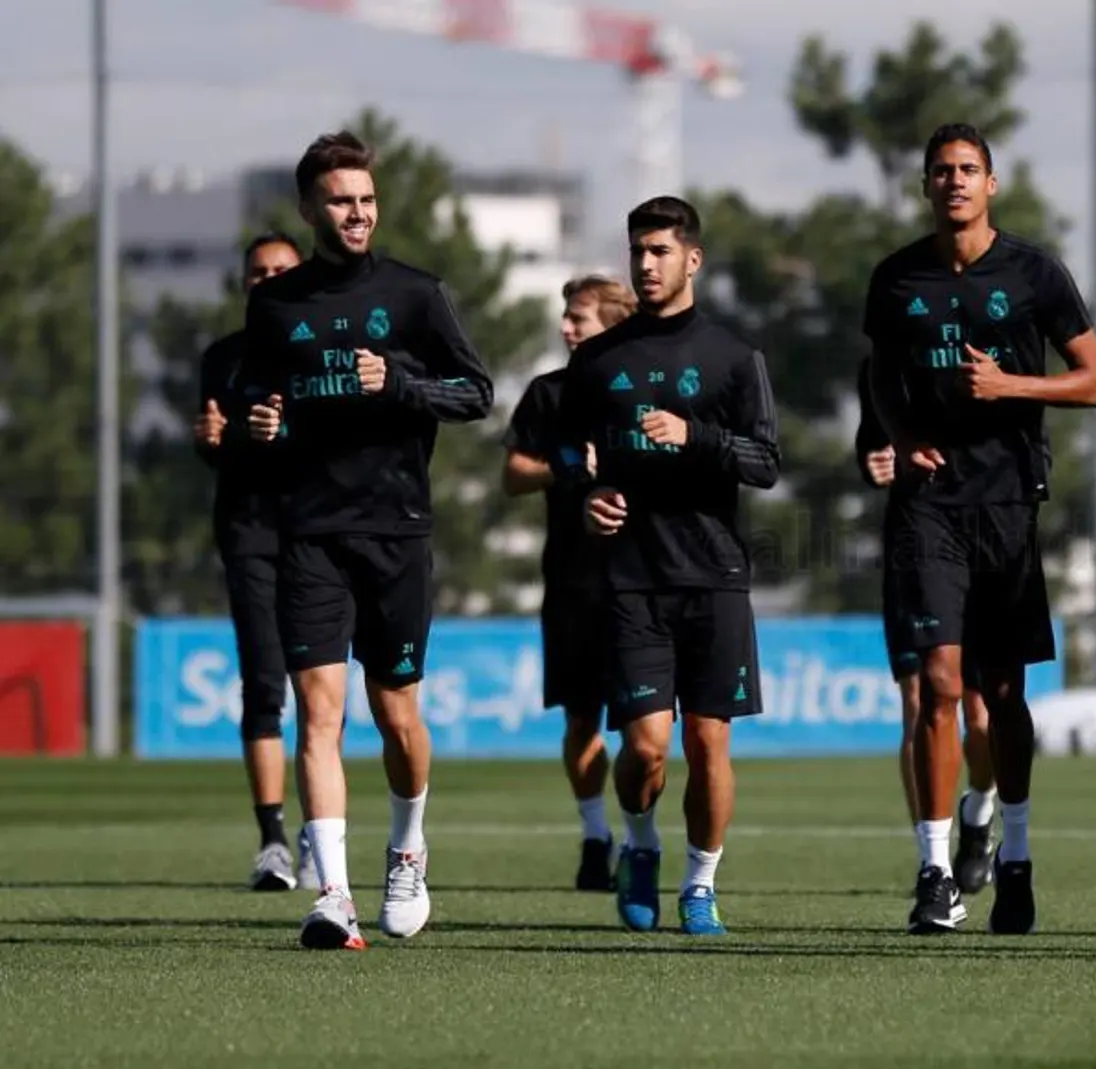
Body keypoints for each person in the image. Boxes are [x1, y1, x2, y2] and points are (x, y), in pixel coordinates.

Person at [244, 130, 494, 950]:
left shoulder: (416, 295)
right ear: (311, 207)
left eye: (366, 200)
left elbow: (476, 393)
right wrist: (264, 418)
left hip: (396, 530)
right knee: (320, 715)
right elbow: (264, 394)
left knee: (396, 716)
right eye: (341, 201)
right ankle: (335, 900)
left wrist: (403, 382)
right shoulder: (278, 303)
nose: (357, 213)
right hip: (310, 531)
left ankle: (408, 849)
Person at [865, 122, 1096, 936]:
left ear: (991, 184)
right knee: (938, 682)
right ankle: (934, 870)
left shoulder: (1034, 271)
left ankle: (1014, 852)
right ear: (926, 185)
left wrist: (1011, 385)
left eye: (969, 169)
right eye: (941, 170)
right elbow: (878, 379)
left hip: (1008, 504)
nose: (955, 182)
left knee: (1001, 693)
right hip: (927, 505)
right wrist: (898, 437)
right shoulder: (897, 278)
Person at [555, 195, 780, 937]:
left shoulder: (733, 357)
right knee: (646, 746)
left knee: (708, 741)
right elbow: (565, 451)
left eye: (660, 252)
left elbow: (766, 462)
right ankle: (641, 843)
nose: (646, 265)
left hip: (714, 577)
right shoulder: (596, 362)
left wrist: (698, 436)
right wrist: (589, 495)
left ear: (692, 259)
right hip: (631, 581)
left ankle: (701, 883)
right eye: (637, 252)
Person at [501, 274, 636, 891]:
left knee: (644, 726)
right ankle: (594, 835)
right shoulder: (548, 395)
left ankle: (640, 840)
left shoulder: (644, 391)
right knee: (582, 721)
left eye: (578, 317)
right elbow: (513, 474)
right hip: (572, 584)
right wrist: (566, 466)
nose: (565, 327)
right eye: (565, 316)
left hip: (642, 581)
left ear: (611, 325)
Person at [193, 230, 314, 893]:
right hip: (249, 532)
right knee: (265, 683)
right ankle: (272, 841)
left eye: (281, 270)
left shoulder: (321, 349)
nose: (268, 279)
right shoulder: (223, 358)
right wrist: (211, 441)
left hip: (320, 530)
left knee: (320, 692)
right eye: (258, 272)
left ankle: (321, 832)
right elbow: (218, 440)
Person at [854, 356, 999, 895]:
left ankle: (980, 812)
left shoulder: (997, 344)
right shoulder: (883, 359)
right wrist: (873, 462)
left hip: (989, 541)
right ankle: (931, 861)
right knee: (920, 703)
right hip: (916, 544)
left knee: (983, 721)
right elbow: (872, 439)